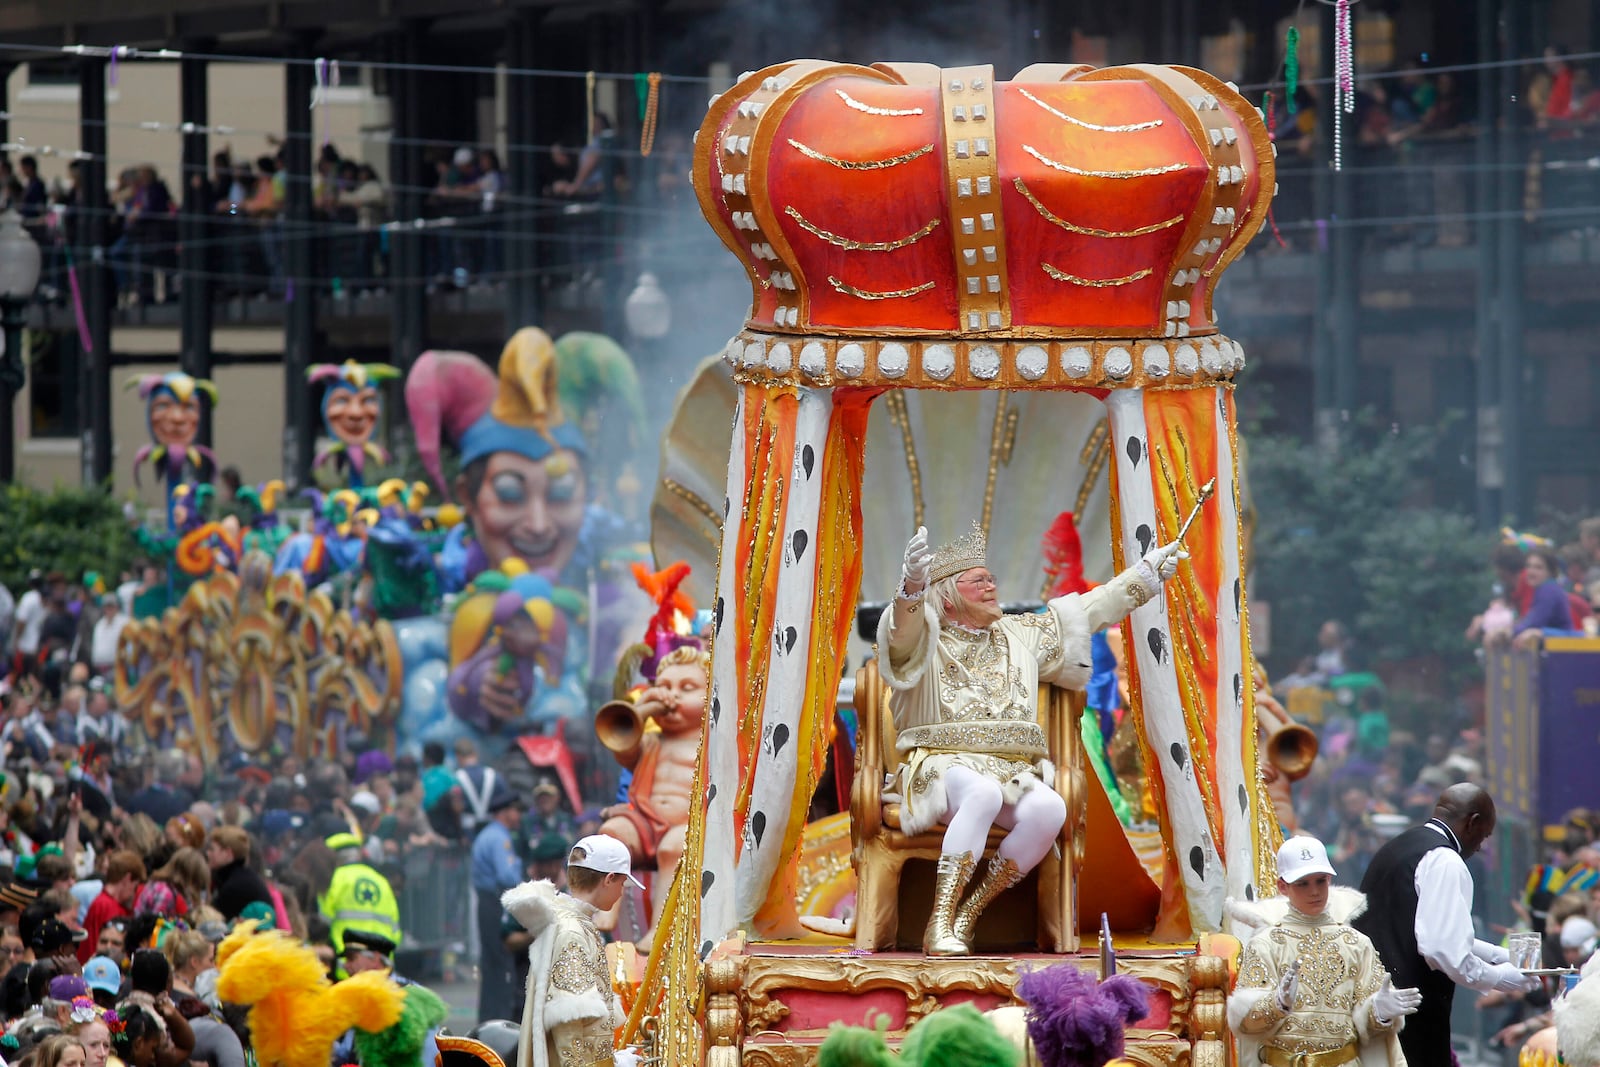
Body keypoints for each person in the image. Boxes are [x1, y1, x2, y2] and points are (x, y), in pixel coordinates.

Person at [879, 522, 1184, 955]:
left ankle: (968, 914)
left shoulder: (1020, 635)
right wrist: (911, 587)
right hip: (940, 766)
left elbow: (1091, 609)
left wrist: (1146, 575)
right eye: (979, 580)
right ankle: (939, 921)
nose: (991, 586)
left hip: (1009, 770)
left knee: (1049, 807)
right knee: (981, 793)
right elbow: (900, 632)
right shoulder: (927, 638)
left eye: (992, 578)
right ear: (947, 595)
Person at [1353, 784, 1538, 1066]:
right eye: (1484, 836)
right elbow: (1441, 949)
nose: (1480, 846)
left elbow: (1425, 929)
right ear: (1472, 822)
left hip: (1375, 1008)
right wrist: (1499, 977)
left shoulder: (1400, 845)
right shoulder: (1444, 860)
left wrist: (1496, 954)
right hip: (1410, 1015)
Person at [1229, 836, 1419, 1067]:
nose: (1314, 891)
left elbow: (1366, 1026)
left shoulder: (1356, 943)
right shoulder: (1266, 944)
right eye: (1303, 883)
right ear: (1282, 886)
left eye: (1320, 881)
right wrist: (1277, 1004)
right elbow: (1246, 1025)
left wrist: (1380, 1011)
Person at [599, 644, 707, 940]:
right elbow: (621, 746)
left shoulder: (710, 741)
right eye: (664, 687)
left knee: (673, 848)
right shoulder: (651, 741)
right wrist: (645, 705)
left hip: (688, 826)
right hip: (645, 821)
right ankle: (605, 911)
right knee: (612, 832)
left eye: (686, 688)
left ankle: (659, 931)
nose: (670, 696)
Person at [502, 836, 639, 1067]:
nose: (622, 893)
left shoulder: (570, 922)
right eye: (622, 884)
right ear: (609, 879)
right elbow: (568, 1029)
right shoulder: (572, 931)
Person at [471, 784, 524, 1023]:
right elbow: (507, 876)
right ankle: (499, 1019)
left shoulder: (489, 835)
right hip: (495, 903)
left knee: (491, 963)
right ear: (505, 812)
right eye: (516, 811)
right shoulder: (499, 838)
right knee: (500, 964)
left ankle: (489, 1017)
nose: (519, 816)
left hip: (487, 902)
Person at [317, 831, 400, 969]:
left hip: (347, 965)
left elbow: (321, 925)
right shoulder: (381, 881)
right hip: (381, 966)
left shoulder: (333, 881)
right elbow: (396, 931)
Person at [80, 852, 144, 965]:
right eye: (135, 885)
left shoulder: (103, 902)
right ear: (127, 879)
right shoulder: (108, 907)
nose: (134, 893)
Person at [204, 828, 272, 922]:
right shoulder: (243, 877)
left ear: (228, 853)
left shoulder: (235, 886)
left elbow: (213, 921)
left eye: (212, 850)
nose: (208, 853)